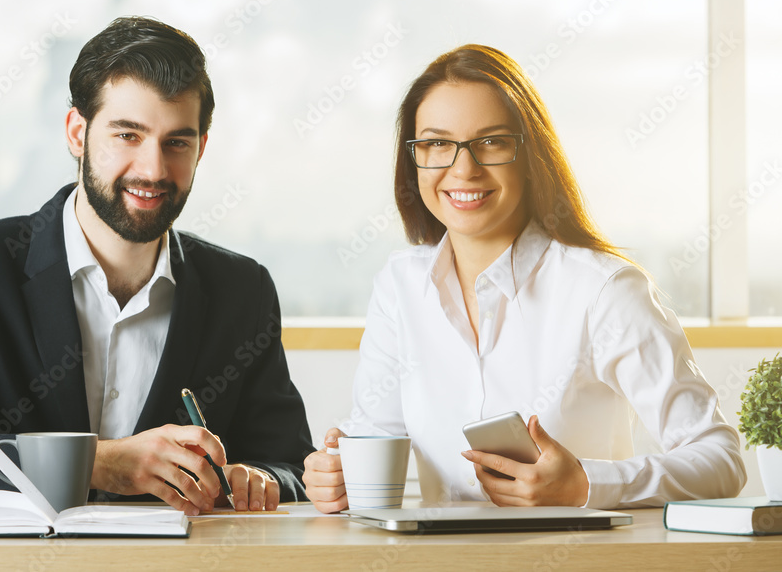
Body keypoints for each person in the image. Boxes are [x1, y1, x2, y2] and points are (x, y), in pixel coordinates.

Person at [0, 16, 315, 514]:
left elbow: (289, 465)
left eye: (177, 142)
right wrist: (97, 463)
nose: (153, 170)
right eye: (128, 135)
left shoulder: (243, 290)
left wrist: (256, 479)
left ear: (201, 148)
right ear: (77, 133)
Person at [303, 44, 746, 512]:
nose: (463, 168)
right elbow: (373, 440)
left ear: (529, 152)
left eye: (491, 141)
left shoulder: (603, 290)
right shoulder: (400, 286)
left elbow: (721, 460)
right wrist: (336, 476)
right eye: (437, 143)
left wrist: (586, 483)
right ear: (413, 159)